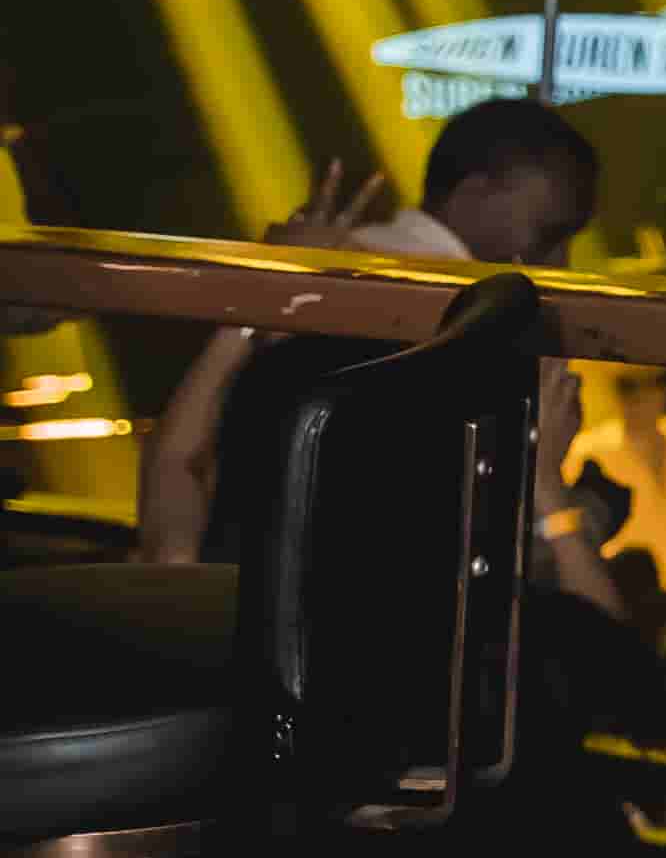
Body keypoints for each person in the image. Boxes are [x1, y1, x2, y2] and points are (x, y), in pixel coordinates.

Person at [133, 98, 632, 618]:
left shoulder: (312, 280)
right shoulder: (459, 326)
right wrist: (562, 511)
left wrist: (257, 298)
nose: (561, 261)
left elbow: (179, 468)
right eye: (551, 233)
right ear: (474, 194)